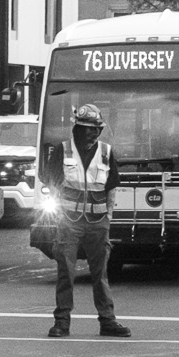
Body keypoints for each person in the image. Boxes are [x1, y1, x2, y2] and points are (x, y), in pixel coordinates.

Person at [40, 98, 131, 338]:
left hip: (98, 224)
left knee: (100, 275)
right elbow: (52, 183)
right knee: (65, 273)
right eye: (89, 128)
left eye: (97, 129)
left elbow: (110, 188)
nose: (94, 133)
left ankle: (107, 321)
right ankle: (62, 322)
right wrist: (60, 215)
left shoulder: (106, 153)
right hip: (69, 222)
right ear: (78, 128)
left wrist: (108, 218)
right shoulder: (63, 150)